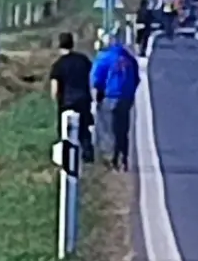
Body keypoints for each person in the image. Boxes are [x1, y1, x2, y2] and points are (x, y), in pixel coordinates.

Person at [91, 27, 141, 171]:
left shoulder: (104, 58)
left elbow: (96, 79)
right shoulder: (129, 59)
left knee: (108, 128)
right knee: (123, 129)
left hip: (110, 96)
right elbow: (136, 79)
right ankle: (124, 157)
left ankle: (111, 158)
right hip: (126, 98)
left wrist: (98, 94)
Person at [49, 32, 95, 162]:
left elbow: (55, 89)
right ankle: (88, 155)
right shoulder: (83, 60)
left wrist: (56, 100)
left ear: (59, 45)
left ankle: (68, 158)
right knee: (84, 129)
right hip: (84, 99)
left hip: (67, 102)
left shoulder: (58, 65)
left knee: (65, 131)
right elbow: (92, 77)